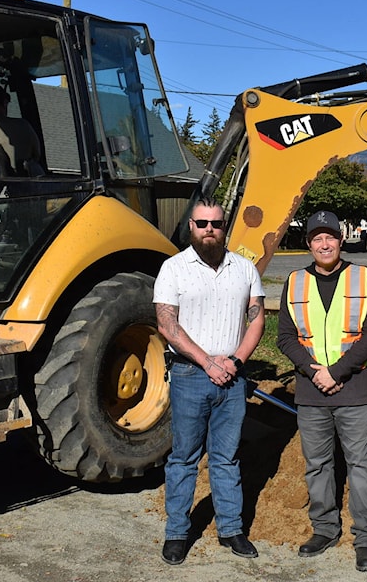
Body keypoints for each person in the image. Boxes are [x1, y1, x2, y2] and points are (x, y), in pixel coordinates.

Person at [153, 198, 266, 565]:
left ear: (225, 227)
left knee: (226, 457)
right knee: (184, 457)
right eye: (202, 224)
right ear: (191, 226)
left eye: (215, 224)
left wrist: (234, 361)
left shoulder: (245, 269)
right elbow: (167, 325)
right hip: (189, 375)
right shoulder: (173, 269)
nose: (209, 230)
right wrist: (207, 362)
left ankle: (231, 529)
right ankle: (176, 533)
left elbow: (257, 320)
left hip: (232, 378)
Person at [277, 210, 367, 573]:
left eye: (331, 237)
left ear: (341, 240)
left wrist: (336, 372)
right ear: (308, 244)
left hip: (353, 391)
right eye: (317, 238)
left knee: (361, 466)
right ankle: (324, 530)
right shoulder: (294, 282)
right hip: (311, 393)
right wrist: (313, 372)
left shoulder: (363, 278)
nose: (324, 244)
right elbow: (285, 338)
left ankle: (366, 539)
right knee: (318, 465)